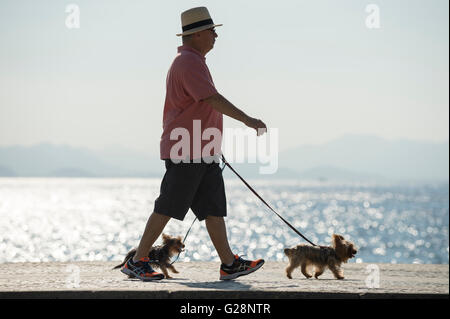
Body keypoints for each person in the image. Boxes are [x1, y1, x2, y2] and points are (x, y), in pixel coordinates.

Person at [121, 7, 267, 281]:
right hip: (186, 150)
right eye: (212, 31)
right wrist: (248, 120)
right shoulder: (188, 62)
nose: (215, 36)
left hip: (200, 149)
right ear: (197, 33)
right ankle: (138, 261)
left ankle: (229, 264)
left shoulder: (192, 61)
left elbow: (203, 105)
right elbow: (211, 99)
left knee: (212, 208)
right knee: (168, 205)